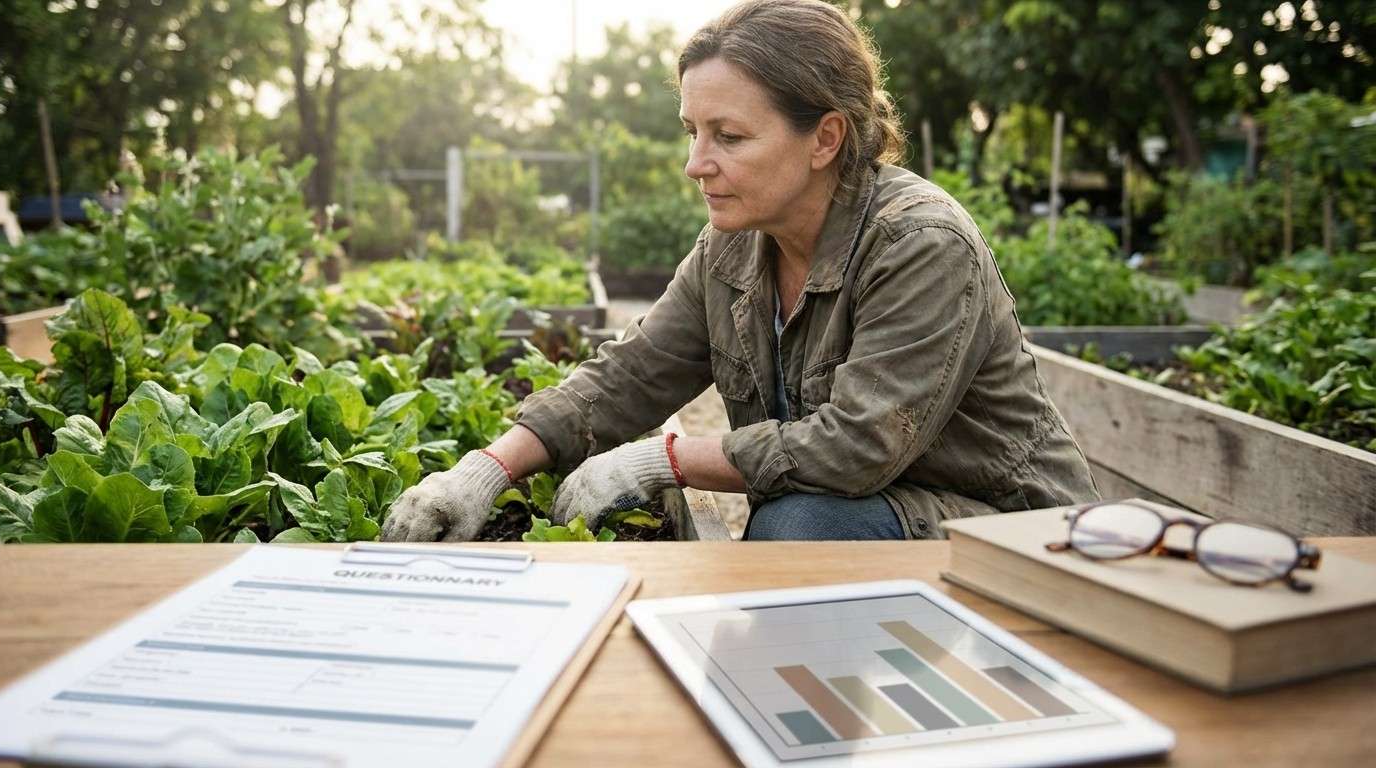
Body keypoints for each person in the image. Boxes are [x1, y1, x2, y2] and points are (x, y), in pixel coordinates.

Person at [381, 0, 1099, 544]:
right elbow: (631, 375)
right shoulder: (733, 246)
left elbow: (858, 445)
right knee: (796, 522)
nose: (697, 164)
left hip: (1013, 532)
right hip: (886, 513)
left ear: (824, 137)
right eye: (694, 132)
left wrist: (660, 461)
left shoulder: (918, 244)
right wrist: (486, 471)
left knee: (799, 526)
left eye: (729, 137)